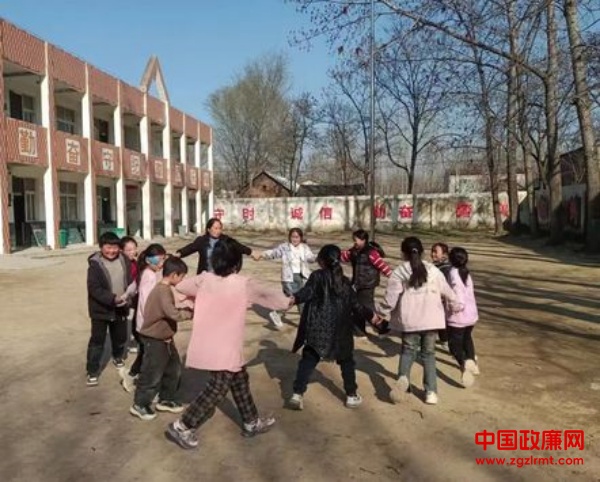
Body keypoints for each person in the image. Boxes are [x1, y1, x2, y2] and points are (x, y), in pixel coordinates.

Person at [165, 237, 291, 450]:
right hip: (226, 346)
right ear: (236, 262)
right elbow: (270, 296)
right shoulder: (243, 283)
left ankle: (251, 421)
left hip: (209, 342)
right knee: (218, 387)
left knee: (239, 379)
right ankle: (182, 425)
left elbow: (179, 287)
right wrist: (291, 300)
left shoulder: (204, 279)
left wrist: (192, 303)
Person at [288, 244, 379, 411]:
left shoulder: (317, 276)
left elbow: (307, 292)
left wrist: (294, 298)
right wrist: (372, 316)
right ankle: (351, 395)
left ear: (321, 261)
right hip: (341, 329)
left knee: (308, 359)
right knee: (347, 362)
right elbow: (356, 305)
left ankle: (297, 394)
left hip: (318, 327)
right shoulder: (345, 282)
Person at [376, 237, 461, 405]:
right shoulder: (433, 270)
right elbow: (447, 291)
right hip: (432, 319)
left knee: (407, 352)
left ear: (403, 253)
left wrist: (381, 312)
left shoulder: (399, 272)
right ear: (422, 252)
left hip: (410, 320)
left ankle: (403, 380)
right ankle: (431, 392)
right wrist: (455, 305)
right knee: (429, 354)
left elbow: (391, 298)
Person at [130, 256, 192, 420]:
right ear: (174, 275)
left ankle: (166, 398)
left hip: (165, 337)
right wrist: (190, 312)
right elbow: (172, 313)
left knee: (173, 369)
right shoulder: (162, 291)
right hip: (155, 339)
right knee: (152, 372)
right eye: (182, 276)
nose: (182, 280)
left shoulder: (164, 289)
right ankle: (140, 404)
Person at [85, 232, 133, 387]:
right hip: (101, 309)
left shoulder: (124, 260)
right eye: (108, 247)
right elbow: (94, 289)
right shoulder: (95, 265)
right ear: (101, 247)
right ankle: (92, 371)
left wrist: (128, 295)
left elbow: (130, 279)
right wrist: (112, 298)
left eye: (115, 247)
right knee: (97, 341)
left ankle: (117, 357)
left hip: (121, 306)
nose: (112, 251)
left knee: (120, 336)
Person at [119, 243, 167, 393]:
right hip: (147, 323)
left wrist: (125, 296)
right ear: (148, 260)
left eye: (163, 259)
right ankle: (134, 379)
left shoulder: (146, 272)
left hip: (143, 322)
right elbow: (147, 301)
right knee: (149, 356)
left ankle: (132, 374)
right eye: (158, 259)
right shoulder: (149, 276)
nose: (161, 263)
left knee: (146, 353)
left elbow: (133, 287)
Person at [255, 228, 316, 329]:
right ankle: (305, 324)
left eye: (297, 237)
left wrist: (318, 257)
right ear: (289, 237)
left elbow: (310, 258)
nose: (294, 239)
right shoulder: (284, 247)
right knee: (297, 300)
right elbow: (273, 253)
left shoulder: (304, 248)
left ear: (301, 238)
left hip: (302, 277)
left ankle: (278, 314)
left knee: (298, 300)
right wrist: (261, 254)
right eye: (292, 237)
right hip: (289, 278)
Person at [340, 229, 392, 337]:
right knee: (356, 307)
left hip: (368, 285)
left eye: (356, 240)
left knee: (366, 307)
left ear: (363, 240)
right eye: (353, 240)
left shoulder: (371, 253)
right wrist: (331, 255)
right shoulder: (353, 251)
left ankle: (383, 326)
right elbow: (343, 256)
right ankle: (359, 330)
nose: (354, 242)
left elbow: (382, 266)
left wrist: (393, 277)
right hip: (357, 284)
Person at [446, 247, 480, 388]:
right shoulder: (466, 272)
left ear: (451, 259)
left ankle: (464, 363)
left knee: (454, 345)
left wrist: (454, 307)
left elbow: (458, 294)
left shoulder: (453, 273)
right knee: (467, 338)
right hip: (471, 315)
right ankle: (472, 362)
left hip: (459, 316)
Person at [175, 218, 256, 274]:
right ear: (208, 229)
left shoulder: (225, 239)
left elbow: (239, 247)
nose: (218, 231)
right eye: (215, 228)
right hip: (205, 275)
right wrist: (179, 253)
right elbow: (190, 248)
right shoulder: (202, 241)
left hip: (221, 275)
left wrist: (251, 252)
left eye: (220, 228)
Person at [120, 236, 139, 353]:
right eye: (129, 250)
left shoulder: (135, 263)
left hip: (134, 296)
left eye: (134, 249)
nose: (132, 252)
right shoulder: (120, 265)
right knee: (124, 321)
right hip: (123, 297)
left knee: (133, 319)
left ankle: (133, 340)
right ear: (121, 251)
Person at [431, 242, 451, 348]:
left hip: (441, 300)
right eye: (432, 251)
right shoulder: (435, 266)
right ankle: (443, 339)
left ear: (444, 255)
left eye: (435, 252)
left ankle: (445, 340)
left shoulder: (446, 268)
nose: (432, 254)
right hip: (434, 299)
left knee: (441, 320)